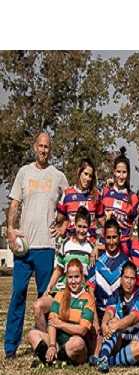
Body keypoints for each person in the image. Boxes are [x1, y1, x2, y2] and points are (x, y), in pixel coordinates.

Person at [5, 132, 68, 359]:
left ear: (51, 149)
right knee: (18, 294)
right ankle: (10, 348)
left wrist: (64, 225)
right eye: (40, 146)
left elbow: (70, 204)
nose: (44, 150)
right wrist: (10, 230)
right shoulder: (24, 172)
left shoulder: (58, 176)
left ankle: (45, 344)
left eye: (47, 147)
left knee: (45, 299)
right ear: (35, 148)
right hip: (25, 248)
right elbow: (14, 204)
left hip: (47, 247)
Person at [34, 207, 93, 332]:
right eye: (79, 226)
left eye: (85, 227)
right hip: (60, 291)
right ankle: (47, 342)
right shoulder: (66, 244)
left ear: (89, 227)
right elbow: (59, 270)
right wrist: (48, 288)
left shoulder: (91, 248)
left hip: (79, 295)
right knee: (38, 306)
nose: (82, 230)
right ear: (74, 225)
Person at [27, 259, 94, 367]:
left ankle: (50, 360)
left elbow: (82, 330)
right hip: (58, 342)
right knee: (32, 335)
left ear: (82, 277)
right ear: (66, 278)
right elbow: (52, 323)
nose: (73, 281)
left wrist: (61, 324)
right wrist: (52, 345)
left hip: (74, 343)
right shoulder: (59, 295)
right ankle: (56, 359)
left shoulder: (88, 299)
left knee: (77, 344)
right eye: (70, 277)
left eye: (76, 277)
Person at [95, 262, 139, 373]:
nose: (129, 282)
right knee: (111, 320)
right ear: (121, 278)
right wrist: (104, 323)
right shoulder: (116, 293)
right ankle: (103, 357)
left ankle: (107, 361)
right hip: (118, 340)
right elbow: (109, 311)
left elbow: (134, 317)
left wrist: (114, 326)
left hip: (135, 339)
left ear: (136, 280)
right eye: (126, 277)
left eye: (132, 278)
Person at [88, 219, 129, 326]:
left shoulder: (127, 262)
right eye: (108, 238)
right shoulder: (96, 260)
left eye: (114, 237)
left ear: (119, 237)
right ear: (104, 238)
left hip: (118, 316)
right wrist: (96, 323)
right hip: (99, 313)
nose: (111, 242)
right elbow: (91, 293)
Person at [98, 148, 139, 255]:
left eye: (124, 172)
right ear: (114, 172)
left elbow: (134, 227)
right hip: (105, 246)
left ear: (128, 174)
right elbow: (99, 219)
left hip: (123, 249)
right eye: (118, 172)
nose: (121, 176)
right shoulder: (105, 192)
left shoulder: (133, 197)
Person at [55, 158, 100, 243]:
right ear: (79, 172)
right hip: (71, 244)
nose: (88, 178)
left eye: (90, 176)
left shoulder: (96, 195)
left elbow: (102, 222)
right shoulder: (67, 193)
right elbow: (59, 220)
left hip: (90, 245)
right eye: (85, 174)